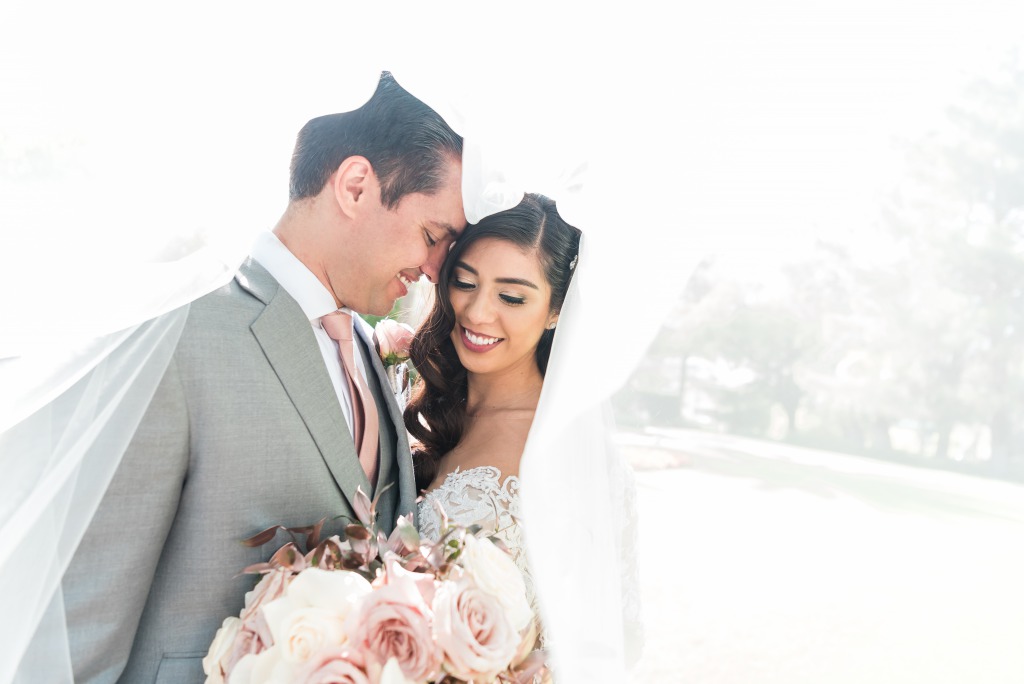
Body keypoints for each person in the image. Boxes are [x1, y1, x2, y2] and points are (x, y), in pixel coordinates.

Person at [61, 71, 467, 683]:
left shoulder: (363, 343)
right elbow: (84, 621)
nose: (437, 268)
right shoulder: (177, 335)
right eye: (434, 236)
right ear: (356, 185)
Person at [404, 193, 580, 615]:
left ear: (556, 309)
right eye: (465, 282)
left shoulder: (565, 448)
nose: (478, 312)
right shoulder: (423, 404)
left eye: (512, 298)